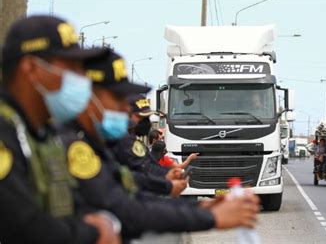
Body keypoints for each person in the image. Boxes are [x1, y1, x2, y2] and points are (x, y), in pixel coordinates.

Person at [58, 50, 260, 240]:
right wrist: (210, 217)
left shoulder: (91, 141)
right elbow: (123, 207)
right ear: (88, 97)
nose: (124, 109)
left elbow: (127, 188)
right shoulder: (71, 143)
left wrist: (204, 207)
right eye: (117, 98)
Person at [0, 15, 119, 243]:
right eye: (71, 67)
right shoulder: (6, 131)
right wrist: (94, 233)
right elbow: (23, 223)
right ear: (32, 68)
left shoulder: (42, 134)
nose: (81, 78)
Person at [111, 94, 185, 197]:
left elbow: (149, 165)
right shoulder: (123, 141)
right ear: (127, 115)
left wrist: (169, 172)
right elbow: (143, 168)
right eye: (141, 117)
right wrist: (166, 179)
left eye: (148, 118)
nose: (146, 122)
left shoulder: (134, 140)